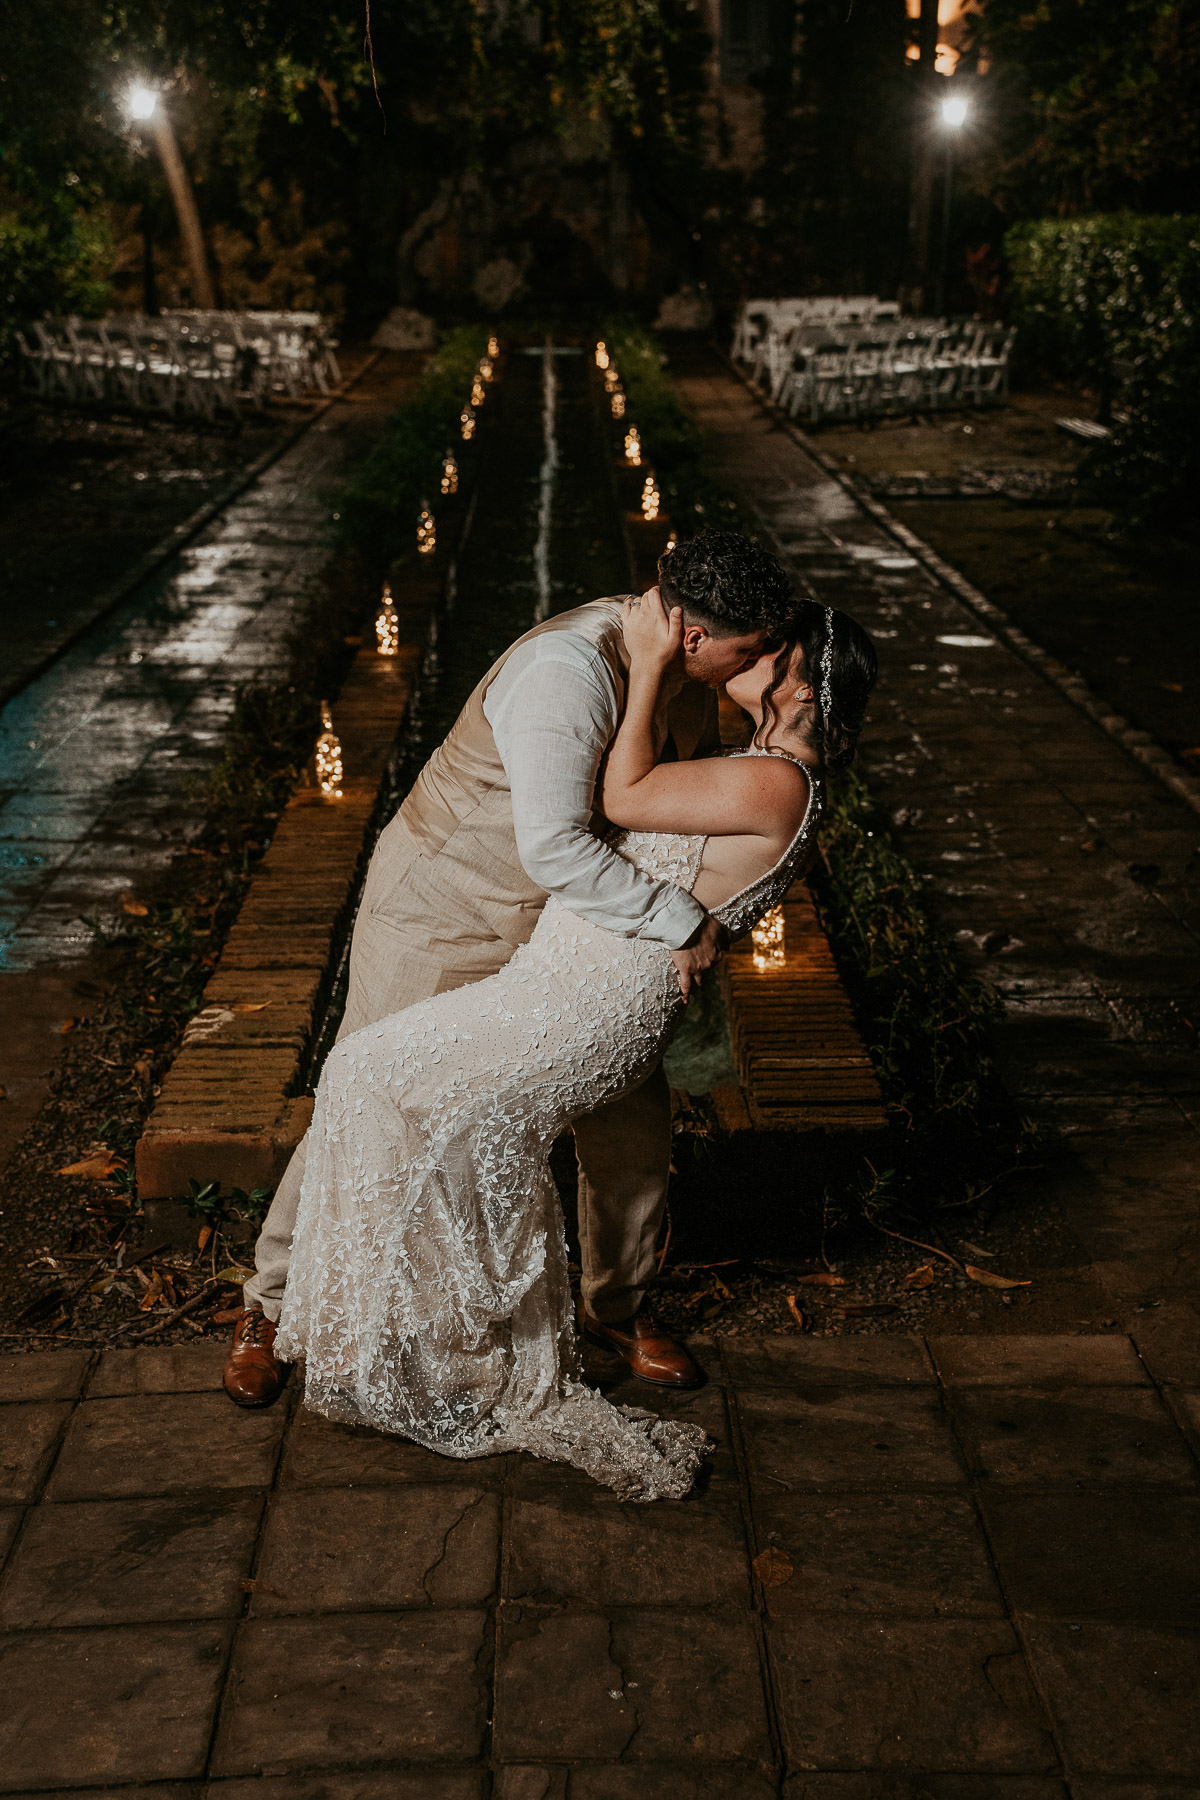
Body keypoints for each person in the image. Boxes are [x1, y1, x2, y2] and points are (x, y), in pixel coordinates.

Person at [273, 588, 877, 1500]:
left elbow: (620, 795)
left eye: (767, 649)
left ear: (797, 680)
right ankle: (322, 1310)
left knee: (404, 1089)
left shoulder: (773, 777)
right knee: (380, 1078)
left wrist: (641, 676)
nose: (740, 661)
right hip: (542, 955)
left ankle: (503, 1343)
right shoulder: (748, 753)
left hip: (591, 993)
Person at [225, 531, 796, 1408]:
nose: (757, 665)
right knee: (370, 1087)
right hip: (447, 909)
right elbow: (558, 845)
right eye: (748, 651)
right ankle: (273, 1302)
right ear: (691, 635)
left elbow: (655, 804)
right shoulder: (564, 674)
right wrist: (682, 919)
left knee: (631, 1116)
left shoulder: (686, 670)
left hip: (576, 930)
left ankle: (618, 1304)